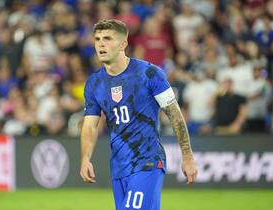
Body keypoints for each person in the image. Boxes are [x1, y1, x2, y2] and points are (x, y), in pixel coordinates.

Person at [80, 19, 197, 210]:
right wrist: (85, 158)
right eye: (98, 39)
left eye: (107, 39)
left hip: (147, 162)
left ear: (123, 44)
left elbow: (174, 114)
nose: (101, 44)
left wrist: (187, 156)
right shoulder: (94, 83)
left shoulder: (150, 74)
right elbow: (90, 125)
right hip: (118, 167)